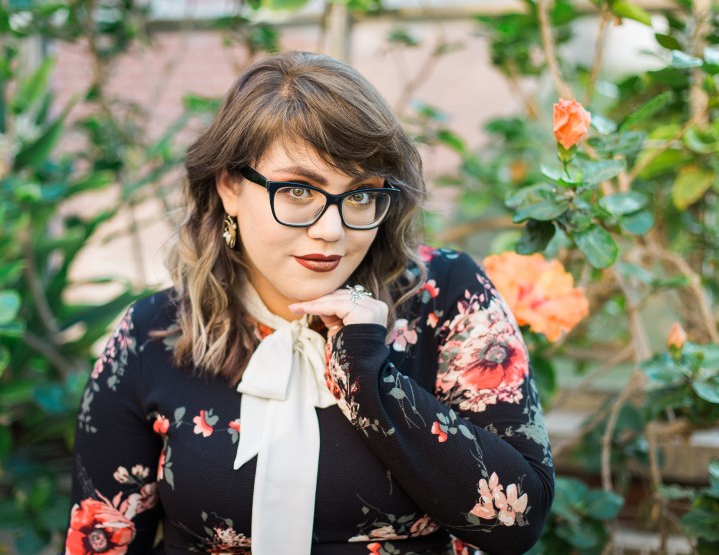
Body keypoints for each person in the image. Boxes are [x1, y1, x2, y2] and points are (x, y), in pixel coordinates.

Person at [64, 51, 554, 555]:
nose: (331, 230)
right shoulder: (153, 336)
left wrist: (369, 377)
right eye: (299, 190)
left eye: (360, 195)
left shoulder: (445, 296)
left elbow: (519, 521)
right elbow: (104, 542)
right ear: (230, 186)